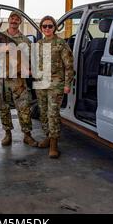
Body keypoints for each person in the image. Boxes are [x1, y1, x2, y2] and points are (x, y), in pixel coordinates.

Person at [0, 11, 39, 147]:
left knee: (23, 106)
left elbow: (32, 59)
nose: (14, 21)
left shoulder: (25, 40)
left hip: (18, 79)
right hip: (1, 77)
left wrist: (30, 70)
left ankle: (27, 135)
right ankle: (7, 134)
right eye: (12, 18)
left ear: (20, 22)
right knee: (3, 105)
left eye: (17, 19)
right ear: (9, 20)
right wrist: (3, 48)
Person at [35, 15, 74, 158]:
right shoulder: (38, 44)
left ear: (54, 28)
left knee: (53, 114)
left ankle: (54, 144)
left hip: (56, 84)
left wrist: (67, 84)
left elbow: (69, 65)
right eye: (44, 26)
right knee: (43, 113)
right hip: (41, 83)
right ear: (41, 28)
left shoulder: (60, 43)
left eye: (50, 26)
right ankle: (47, 136)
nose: (47, 28)